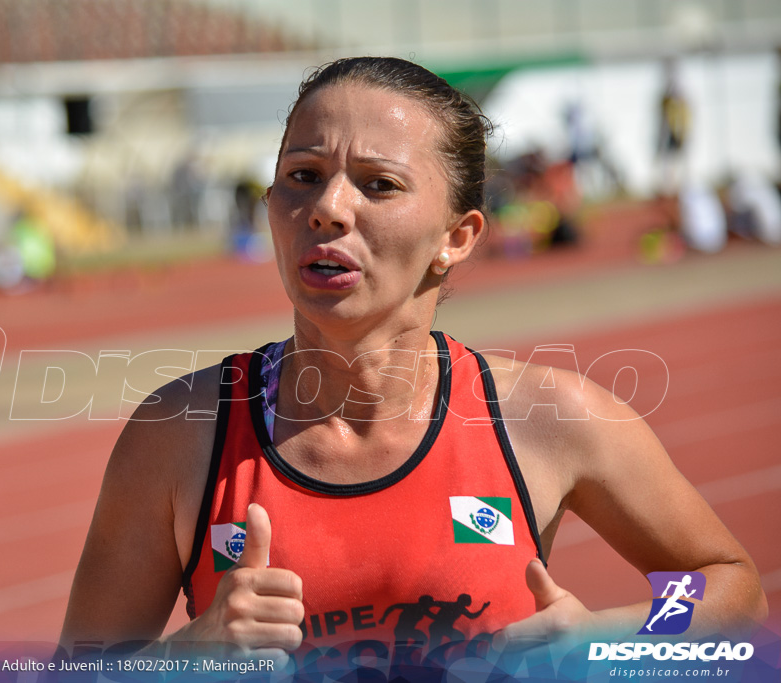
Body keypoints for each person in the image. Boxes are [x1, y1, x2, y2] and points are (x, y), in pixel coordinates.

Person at [61, 57, 765, 667]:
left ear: (456, 237)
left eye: (378, 184)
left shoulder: (547, 418)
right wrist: (187, 657)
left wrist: (616, 646)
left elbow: (728, 583)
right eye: (302, 175)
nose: (328, 208)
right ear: (271, 205)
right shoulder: (180, 435)